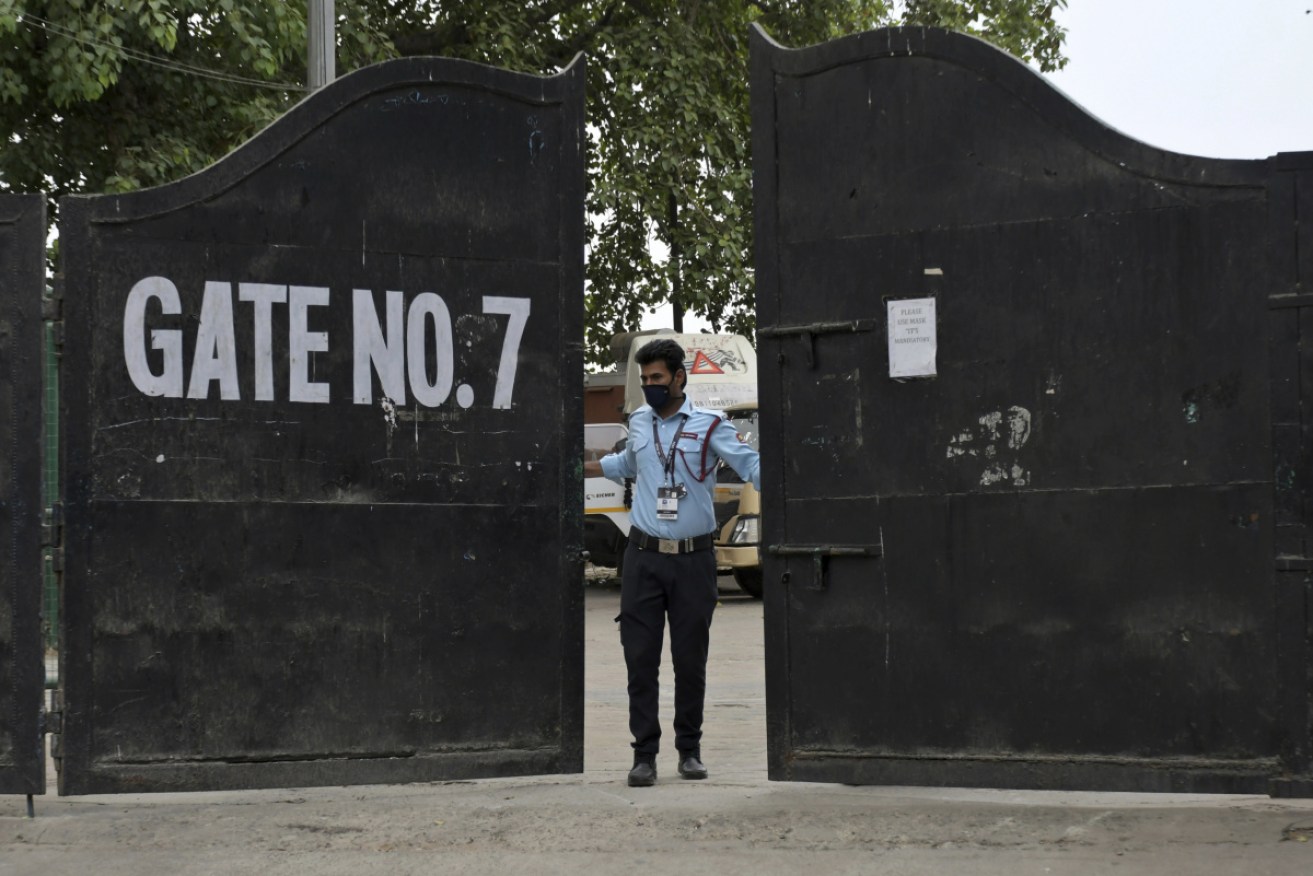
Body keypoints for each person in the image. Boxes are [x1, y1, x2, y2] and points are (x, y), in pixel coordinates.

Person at [583, 338, 761, 787]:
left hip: (693, 562)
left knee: (689, 661)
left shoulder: (709, 426)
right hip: (642, 560)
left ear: (679, 378)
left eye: (657, 378)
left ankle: (689, 751)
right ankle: (644, 755)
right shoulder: (640, 422)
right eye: (644, 380)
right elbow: (629, 462)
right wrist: (592, 465)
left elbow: (750, 464)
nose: (650, 387)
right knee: (639, 660)